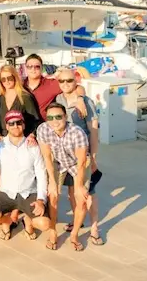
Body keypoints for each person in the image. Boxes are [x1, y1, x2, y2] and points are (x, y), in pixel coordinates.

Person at [0, 110, 51, 241]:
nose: (15, 126)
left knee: (44, 224)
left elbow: (41, 175)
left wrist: (41, 200)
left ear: (23, 124)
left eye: (18, 122)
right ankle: (8, 221)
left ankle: (28, 221)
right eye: (11, 123)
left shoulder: (33, 145)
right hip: (6, 193)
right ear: (6, 126)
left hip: (28, 192)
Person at [55, 69, 103, 246]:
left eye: (69, 80)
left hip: (84, 154)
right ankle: (78, 219)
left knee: (89, 192)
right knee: (72, 192)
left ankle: (95, 227)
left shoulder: (87, 102)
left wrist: (94, 156)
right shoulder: (59, 100)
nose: (66, 84)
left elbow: (94, 130)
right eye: (62, 81)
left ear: (76, 80)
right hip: (66, 156)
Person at [37, 102, 90, 252]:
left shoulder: (77, 132)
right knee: (52, 195)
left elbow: (81, 162)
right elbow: (47, 157)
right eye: (50, 117)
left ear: (65, 117)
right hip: (57, 162)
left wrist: (79, 186)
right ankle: (53, 232)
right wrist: (52, 183)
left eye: (58, 117)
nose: (54, 121)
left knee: (82, 199)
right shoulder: (43, 129)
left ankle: (74, 234)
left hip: (76, 163)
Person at [0, 64, 41, 138]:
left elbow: (35, 120)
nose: (7, 81)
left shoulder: (25, 96)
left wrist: (32, 135)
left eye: (9, 78)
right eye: (3, 79)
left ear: (15, 77)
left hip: (23, 139)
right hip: (4, 140)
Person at [23, 54, 62, 120]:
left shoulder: (51, 84)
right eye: (29, 66)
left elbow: (74, 86)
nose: (33, 69)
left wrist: (80, 98)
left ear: (42, 68)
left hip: (45, 126)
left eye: (37, 66)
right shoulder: (20, 85)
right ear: (25, 68)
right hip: (25, 126)